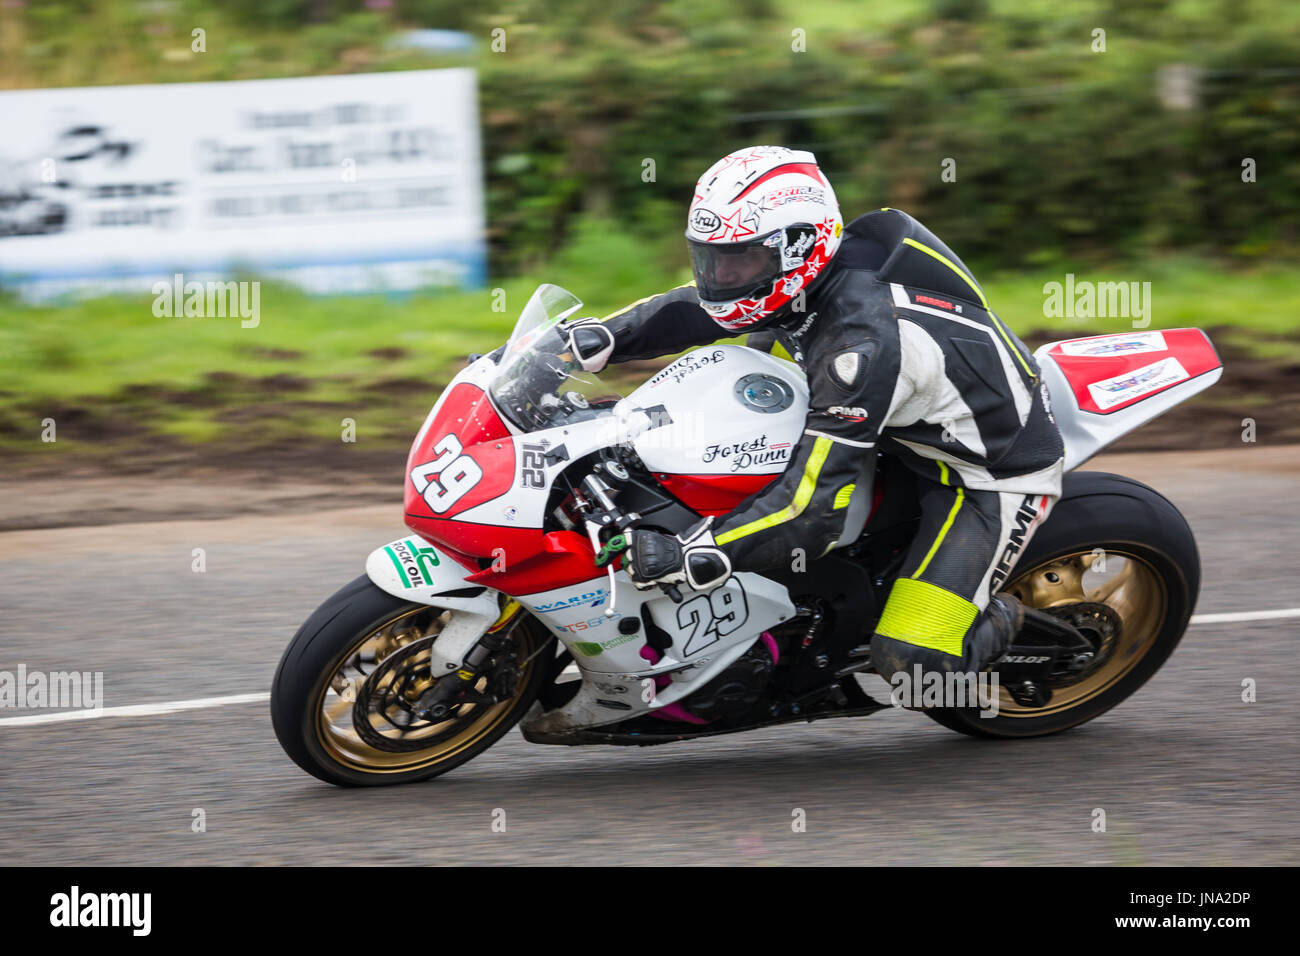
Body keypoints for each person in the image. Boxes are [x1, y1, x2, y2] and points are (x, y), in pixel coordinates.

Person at [558, 145, 1064, 677]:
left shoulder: (861, 343)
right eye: (712, 259)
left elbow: (810, 511)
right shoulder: (795, 281)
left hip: (984, 472)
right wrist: (586, 341)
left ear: (799, 249)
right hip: (890, 422)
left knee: (914, 666)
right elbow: (693, 309)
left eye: (740, 260)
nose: (720, 276)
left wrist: (698, 550)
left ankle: (993, 618)